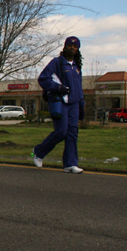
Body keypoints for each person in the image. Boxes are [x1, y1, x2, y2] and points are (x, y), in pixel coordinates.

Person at [33, 36, 85, 173]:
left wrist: (82, 105)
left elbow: (79, 88)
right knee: (61, 132)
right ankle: (39, 152)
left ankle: (70, 164)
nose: (72, 48)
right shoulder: (57, 63)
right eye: (70, 45)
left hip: (74, 104)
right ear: (65, 46)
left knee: (72, 133)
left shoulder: (77, 66)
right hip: (60, 102)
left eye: (75, 46)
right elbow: (43, 79)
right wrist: (57, 88)